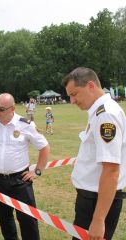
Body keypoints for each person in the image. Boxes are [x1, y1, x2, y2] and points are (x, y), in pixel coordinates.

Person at [0, 93, 50, 240]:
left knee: (28, 220)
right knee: (5, 220)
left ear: (12, 109)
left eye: (1, 109)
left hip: (20, 180)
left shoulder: (25, 125)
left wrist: (37, 171)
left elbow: (44, 147)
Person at [62, 67, 126, 240]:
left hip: (96, 201)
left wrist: (98, 219)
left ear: (90, 86)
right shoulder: (100, 112)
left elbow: (111, 170)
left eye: (74, 94)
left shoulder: (106, 115)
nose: (72, 101)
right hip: (92, 199)